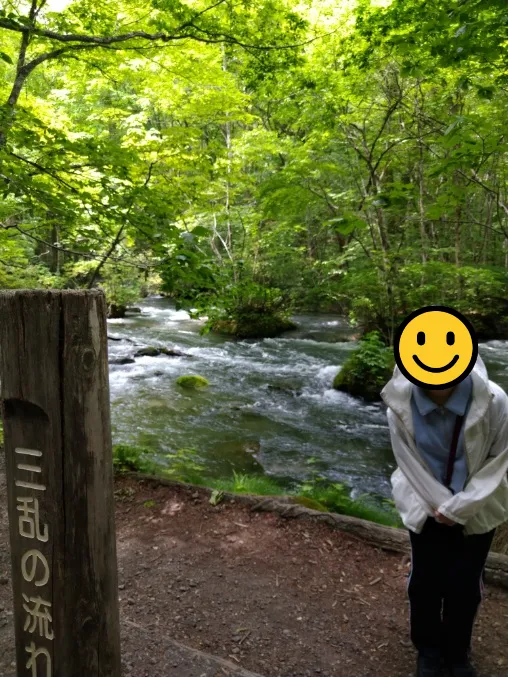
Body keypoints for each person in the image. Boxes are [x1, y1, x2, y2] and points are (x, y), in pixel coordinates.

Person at [381, 355, 508, 677]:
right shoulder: (399, 404)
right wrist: (443, 508)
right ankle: (428, 649)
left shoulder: (495, 401)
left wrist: (461, 508)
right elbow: (408, 462)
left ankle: (457, 652)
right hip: (426, 506)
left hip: (479, 508)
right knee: (425, 581)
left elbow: (499, 461)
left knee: (465, 584)